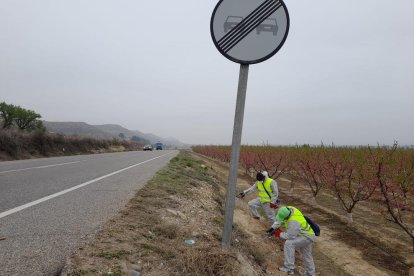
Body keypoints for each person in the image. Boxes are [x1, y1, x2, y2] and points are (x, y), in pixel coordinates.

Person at [266, 206, 316, 276]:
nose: (283, 219)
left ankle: (289, 268)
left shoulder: (294, 221)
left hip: (305, 236)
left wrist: (279, 233)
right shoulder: (289, 209)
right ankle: (310, 273)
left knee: (289, 244)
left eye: (284, 218)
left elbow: (291, 236)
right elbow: (280, 219)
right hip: (308, 234)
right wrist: (273, 228)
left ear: (287, 216)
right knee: (307, 255)